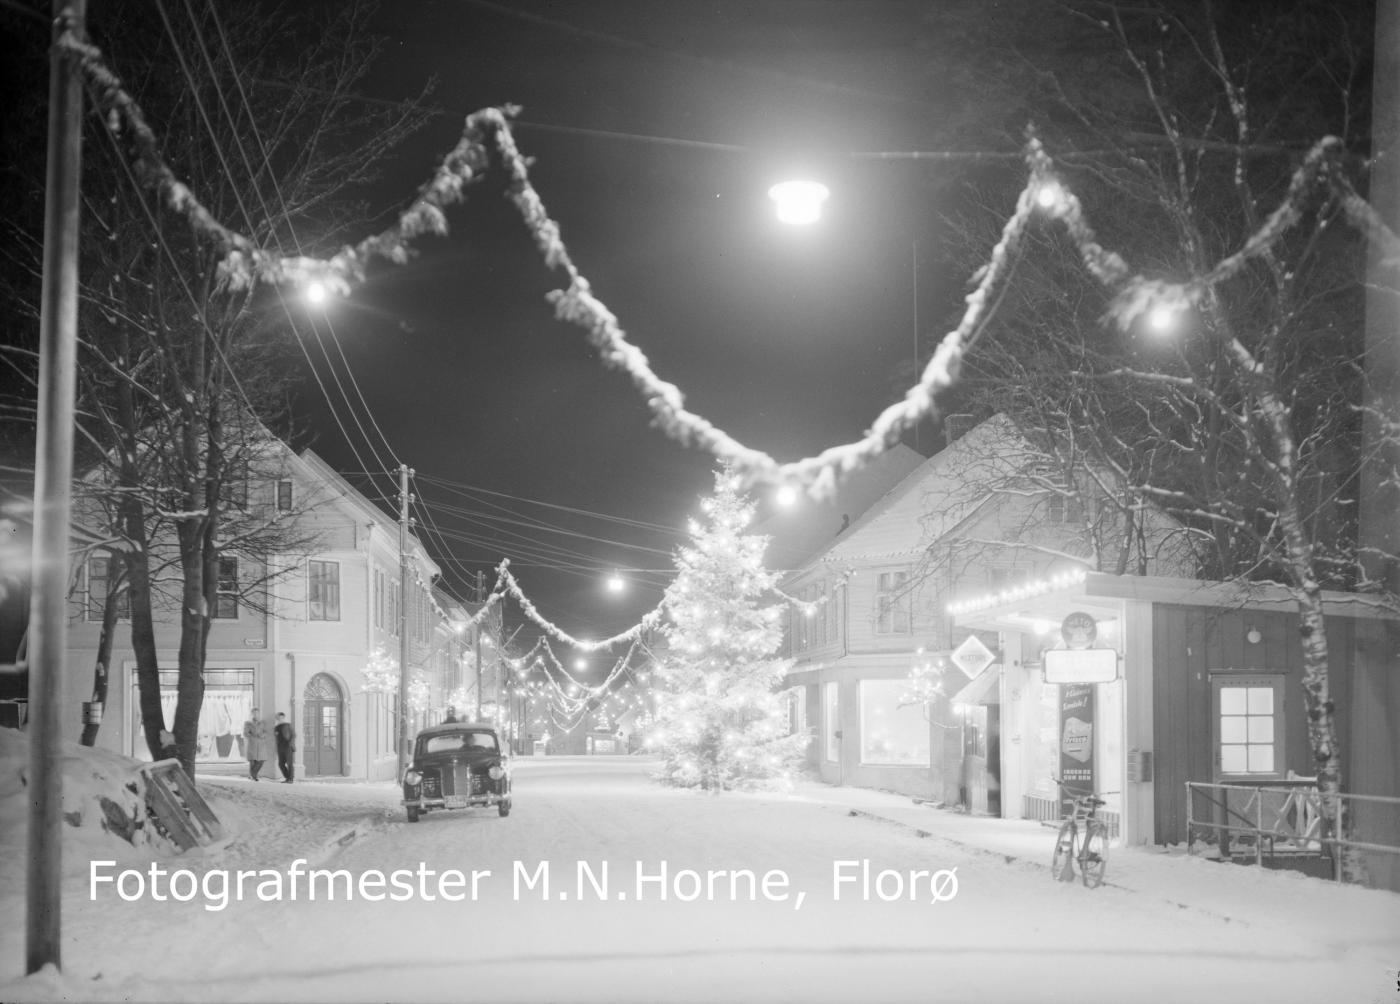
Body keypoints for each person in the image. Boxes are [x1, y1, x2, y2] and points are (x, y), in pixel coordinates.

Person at [243, 707, 268, 781]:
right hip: (253, 744)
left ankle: (252, 775)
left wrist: (263, 735)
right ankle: (254, 776)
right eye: (254, 713)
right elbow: (245, 733)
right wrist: (252, 736)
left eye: (257, 713)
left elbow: (265, 732)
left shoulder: (263, 723)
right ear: (252, 714)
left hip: (261, 744)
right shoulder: (248, 723)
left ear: (259, 714)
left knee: (261, 760)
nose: (256, 714)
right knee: (252, 761)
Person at [274, 712, 296, 783]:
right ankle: (288, 778)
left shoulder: (288, 725)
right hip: (280, 748)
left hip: (288, 747)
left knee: (290, 763)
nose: (280, 719)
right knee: (280, 764)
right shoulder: (276, 727)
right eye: (278, 718)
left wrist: (290, 744)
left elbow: (293, 735)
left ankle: (290, 779)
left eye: (281, 717)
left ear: (283, 718)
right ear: (277, 718)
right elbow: (276, 738)